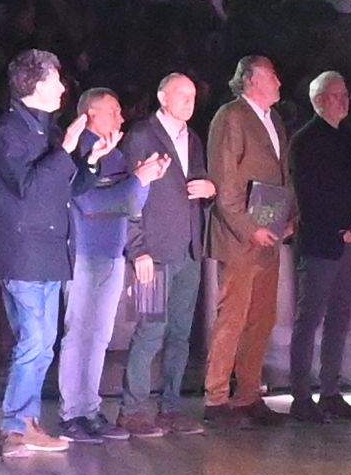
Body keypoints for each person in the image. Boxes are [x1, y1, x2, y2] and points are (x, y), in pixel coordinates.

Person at [0, 48, 81, 456]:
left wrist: (86, 161)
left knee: (43, 343)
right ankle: (14, 427)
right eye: (55, 80)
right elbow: (29, 188)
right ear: (34, 85)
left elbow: (64, 189)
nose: (62, 87)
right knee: (33, 341)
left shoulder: (46, 132)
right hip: (23, 253)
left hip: (49, 251)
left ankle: (27, 422)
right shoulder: (7, 133)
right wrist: (67, 150)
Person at [116, 71, 208, 439]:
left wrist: (210, 187)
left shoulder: (193, 139)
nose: (190, 102)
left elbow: (198, 182)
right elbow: (131, 194)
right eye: (182, 95)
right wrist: (137, 248)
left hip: (188, 250)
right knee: (150, 329)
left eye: (193, 96)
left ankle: (170, 406)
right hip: (153, 253)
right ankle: (132, 409)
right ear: (162, 97)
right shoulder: (141, 136)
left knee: (181, 332)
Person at [202, 55, 296, 417]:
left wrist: (289, 218)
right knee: (233, 316)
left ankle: (247, 394)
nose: (278, 81)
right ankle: (216, 396)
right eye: (272, 75)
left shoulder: (273, 120)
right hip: (241, 236)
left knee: (262, 317)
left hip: (268, 234)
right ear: (253, 79)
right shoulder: (231, 117)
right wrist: (248, 227)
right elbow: (226, 182)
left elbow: (283, 174)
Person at [284, 68, 351, 415]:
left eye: (347, 94)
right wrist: (343, 228)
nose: (345, 100)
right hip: (321, 241)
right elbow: (310, 196)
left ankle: (331, 391)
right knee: (310, 318)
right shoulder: (305, 141)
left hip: (350, 240)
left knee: (340, 317)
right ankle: (301, 395)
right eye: (337, 95)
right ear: (319, 100)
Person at [57, 85, 138, 439]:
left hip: (112, 252)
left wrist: (139, 183)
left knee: (100, 336)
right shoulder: (79, 150)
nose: (121, 118)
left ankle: (90, 408)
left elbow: (130, 204)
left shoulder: (116, 155)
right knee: (79, 334)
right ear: (91, 114)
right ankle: (73, 413)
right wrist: (139, 181)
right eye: (114, 111)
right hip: (84, 255)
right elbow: (90, 205)